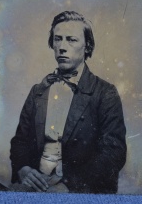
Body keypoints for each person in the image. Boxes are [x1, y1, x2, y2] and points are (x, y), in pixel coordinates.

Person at [10, 11, 127, 194]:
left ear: (87, 47)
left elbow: (113, 153)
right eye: (58, 39)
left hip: (80, 188)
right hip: (36, 184)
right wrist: (23, 169)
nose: (62, 47)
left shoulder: (105, 93)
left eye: (71, 40)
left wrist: (69, 186)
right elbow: (20, 141)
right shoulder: (38, 91)